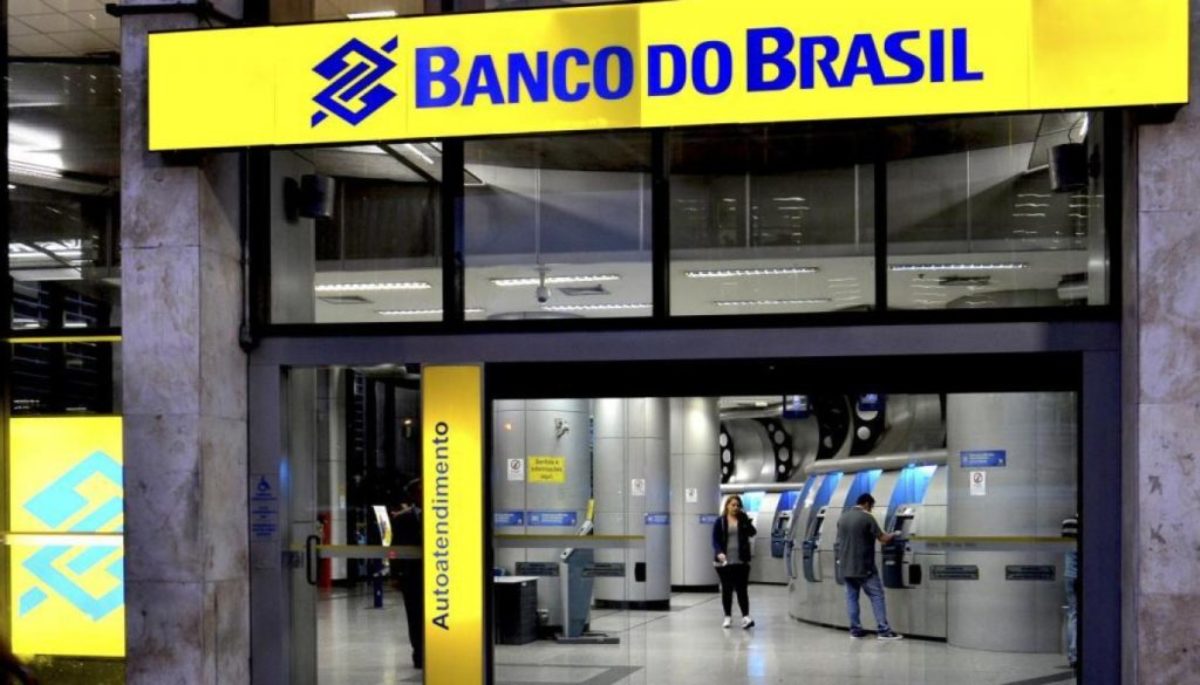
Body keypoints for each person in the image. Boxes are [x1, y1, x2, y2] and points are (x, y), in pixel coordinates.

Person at [835, 493, 903, 640]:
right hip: (864, 568)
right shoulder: (867, 518)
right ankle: (884, 630)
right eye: (871, 506)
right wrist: (896, 534)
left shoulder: (843, 517)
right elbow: (883, 539)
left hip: (846, 567)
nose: (871, 509)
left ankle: (855, 630)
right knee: (877, 596)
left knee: (852, 598)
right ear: (866, 503)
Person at [711, 494, 757, 629]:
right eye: (733, 505)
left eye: (738, 505)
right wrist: (719, 552)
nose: (735, 508)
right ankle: (727, 616)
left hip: (741, 561)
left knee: (742, 589)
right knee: (727, 589)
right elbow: (715, 540)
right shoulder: (720, 521)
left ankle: (746, 617)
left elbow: (752, 532)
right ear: (727, 506)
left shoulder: (742, 519)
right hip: (724, 562)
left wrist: (746, 520)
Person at [392, 478, 424, 669]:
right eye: (419, 492)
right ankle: (419, 653)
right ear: (413, 495)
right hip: (412, 576)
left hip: (439, 575)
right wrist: (395, 575)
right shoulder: (402, 519)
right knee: (415, 616)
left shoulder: (442, 516)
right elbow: (394, 548)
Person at [1062, 513, 1079, 671]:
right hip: (1082, 575)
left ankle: (1073, 655)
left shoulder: (1067, 522)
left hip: (1069, 574)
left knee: (1073, 615)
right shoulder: (1090, 522)